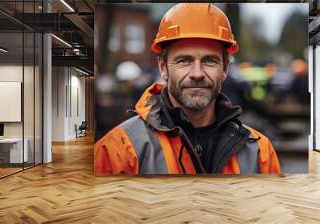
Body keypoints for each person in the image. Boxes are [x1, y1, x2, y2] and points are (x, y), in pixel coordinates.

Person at [94, 3, 282, 175]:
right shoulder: (117, 150)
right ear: (163, 67)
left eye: (209, 60)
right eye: (184, 61)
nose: (197, 73)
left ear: (225, 68)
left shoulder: (259, 152)